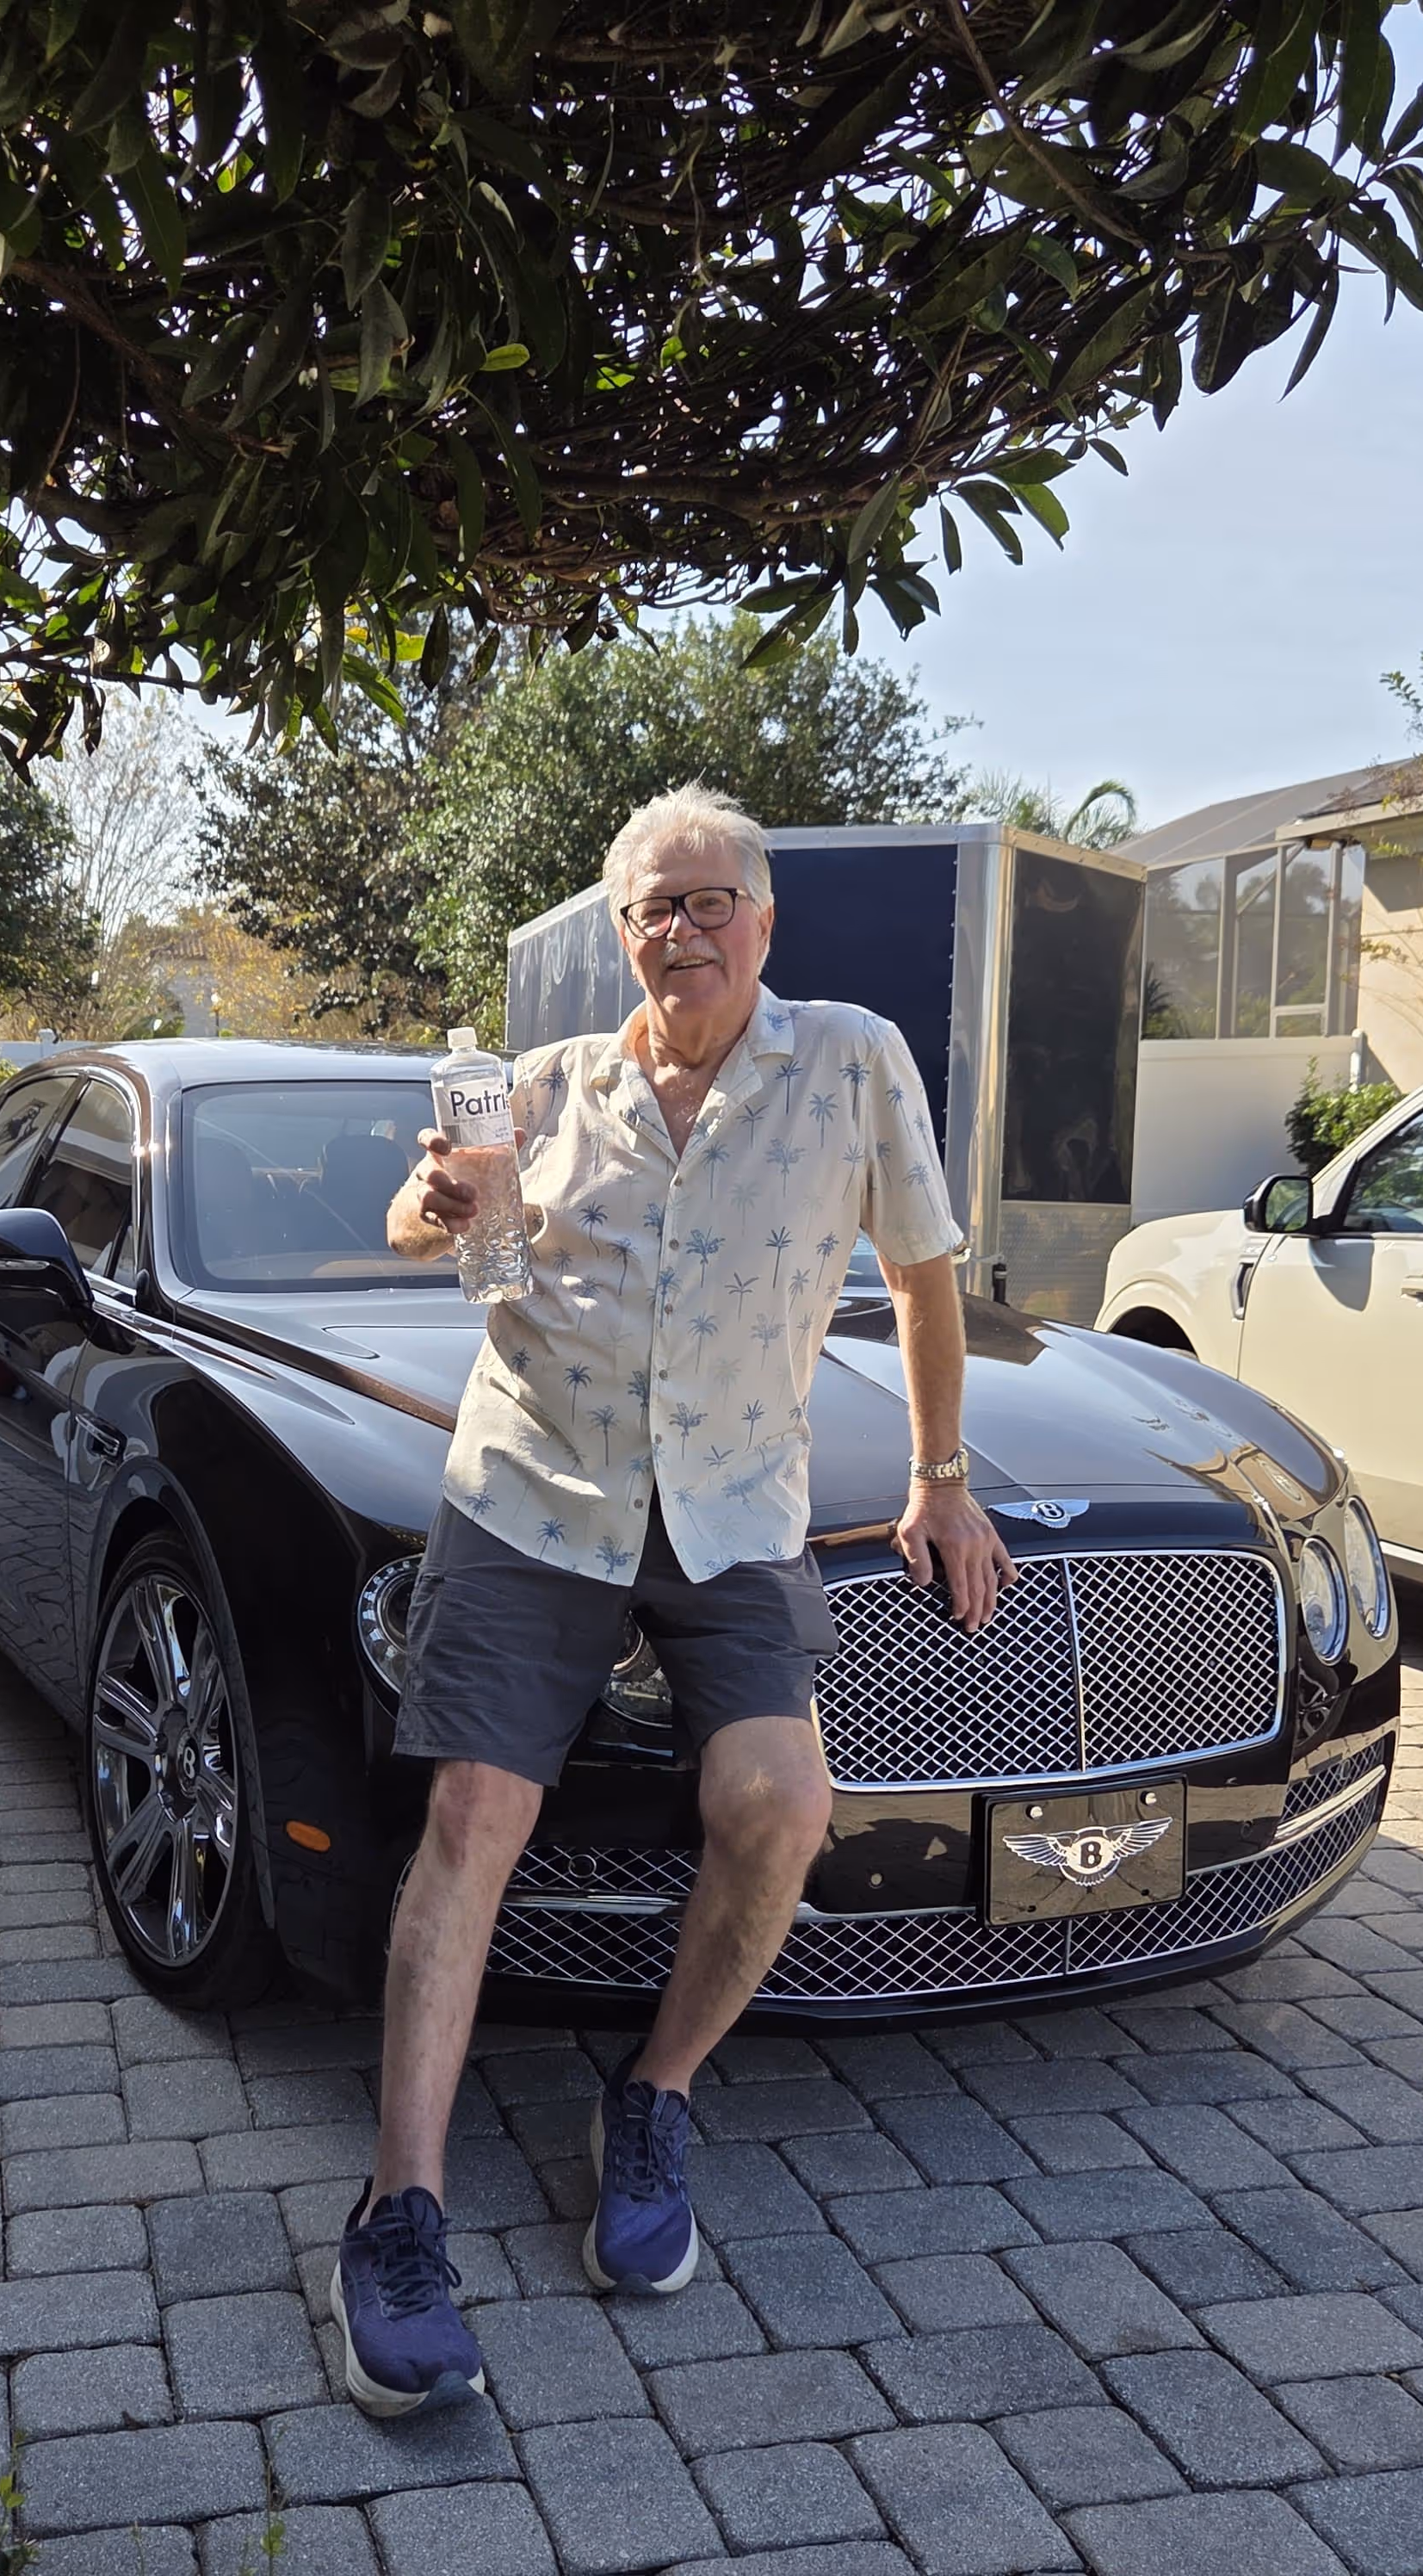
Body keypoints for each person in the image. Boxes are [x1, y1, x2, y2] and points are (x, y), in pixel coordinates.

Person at [330, 783, 1017, 2418]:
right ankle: (398, 2209)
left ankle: (653, 2097)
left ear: (765, 922)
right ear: (618, 931)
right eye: (652, 907)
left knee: (780, 1803)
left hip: (731, 1502)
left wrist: (940, 1475)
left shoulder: (851, 1062)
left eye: (712, 902)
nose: (682, 931)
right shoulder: (544, 1086)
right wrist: (441, 1208)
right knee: (476, 1813)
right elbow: (461, 1252)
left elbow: (926, 1275)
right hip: (537, 1487)